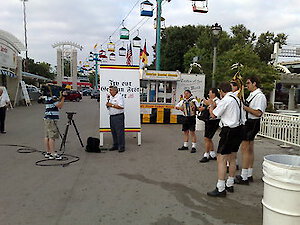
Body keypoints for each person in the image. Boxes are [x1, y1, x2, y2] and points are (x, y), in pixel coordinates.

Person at [207, 82, 243, 197]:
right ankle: (230, 183)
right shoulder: (237, 99)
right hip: (239, 129)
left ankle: (221, 187)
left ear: (222, 91)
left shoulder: (226, 100)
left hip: (229, 130)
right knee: (232, 157)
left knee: (221, 158)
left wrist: (211, 105)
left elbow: (214, 115)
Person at [235, 76, 267, 185]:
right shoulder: (254, 95)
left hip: (252, 123)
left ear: (254, 83)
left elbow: (258, 113)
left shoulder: (260, 96)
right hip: (250, 123)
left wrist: (245, 107)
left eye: (248, 83)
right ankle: (248, 173)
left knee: (245, 149)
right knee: (249, 149)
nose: (247, 85)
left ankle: (244, 176)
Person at [43, 88, 67, 160]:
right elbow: (60, 106)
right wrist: (63, 97)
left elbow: (57, 101)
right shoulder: (52, 99)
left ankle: (48, 152)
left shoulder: (48, 98)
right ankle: (53, 153)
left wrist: (61, 96)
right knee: (52, 136)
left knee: (47, 135)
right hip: (51, 119)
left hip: (47, 118)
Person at [199, 88, 220, 163]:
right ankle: (212, 153)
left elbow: (214, 107)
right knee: (208, 138)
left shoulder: (217, 101)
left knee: (207, 138)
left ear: (214, 94)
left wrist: (209, 104)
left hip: (213, 121)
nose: (208, 94)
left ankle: (206, 154)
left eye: (210, 93)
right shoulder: (212, 101)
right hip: (209, 120)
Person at [106, 86, 125, 153]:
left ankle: (121, 146)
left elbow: (121, 106)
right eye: (109, 90)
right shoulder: (111, 97)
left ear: (115, 91)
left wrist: (111, 105)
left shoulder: (119, 97)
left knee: (119, 132)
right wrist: (108, 105)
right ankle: (115, 145)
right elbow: (110, 106)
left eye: (111, 90)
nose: (110, 92)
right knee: (113, 131)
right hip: (112, 116)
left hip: (118, 117)